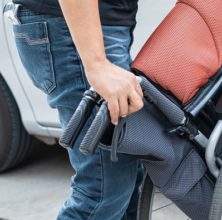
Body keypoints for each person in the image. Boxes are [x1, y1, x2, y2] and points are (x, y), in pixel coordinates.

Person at [10, 0, 144, 219]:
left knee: (123, 177)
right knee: (103, 190)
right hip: (76, 30)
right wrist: (96, 64)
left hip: (90, 27)